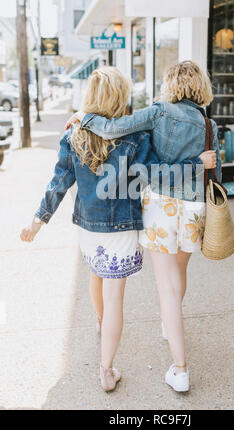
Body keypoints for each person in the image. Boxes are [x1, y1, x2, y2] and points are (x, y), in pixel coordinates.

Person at [20, 67, 205, 393]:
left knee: (95, 273)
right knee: (115, 298)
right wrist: (196, 165)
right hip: (120, 230)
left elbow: (59, 183)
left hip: (89, 229)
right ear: (121, 97)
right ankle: (106, 370)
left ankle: (100, 324)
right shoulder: (135, 138)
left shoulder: (73, 135)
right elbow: (157, 174)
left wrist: (39, 219)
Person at [65, 61, 221, 392]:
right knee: (179, 274)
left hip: (162, 205)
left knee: (165, 284)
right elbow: (213, 170)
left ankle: (180, 369)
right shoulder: (209, 124)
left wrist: (84, 117)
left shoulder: (158, 113)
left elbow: (114, 129)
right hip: (194, 206)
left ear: (171, 84)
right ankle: (171, 323)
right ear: (201, 87)